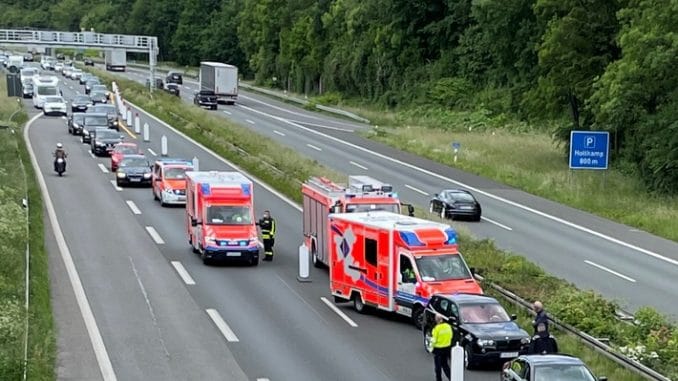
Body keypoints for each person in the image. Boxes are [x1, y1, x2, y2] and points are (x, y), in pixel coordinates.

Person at [430, 314, 452, 381]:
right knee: (445, 365)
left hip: (438, 349)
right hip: (447, 348)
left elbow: (433, 340)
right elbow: (451, 336)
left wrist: (431, 349)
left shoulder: (436, 329)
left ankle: (439, 379)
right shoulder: (448, 326)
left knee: (438, 366)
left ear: (436, 320)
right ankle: (451, 378)